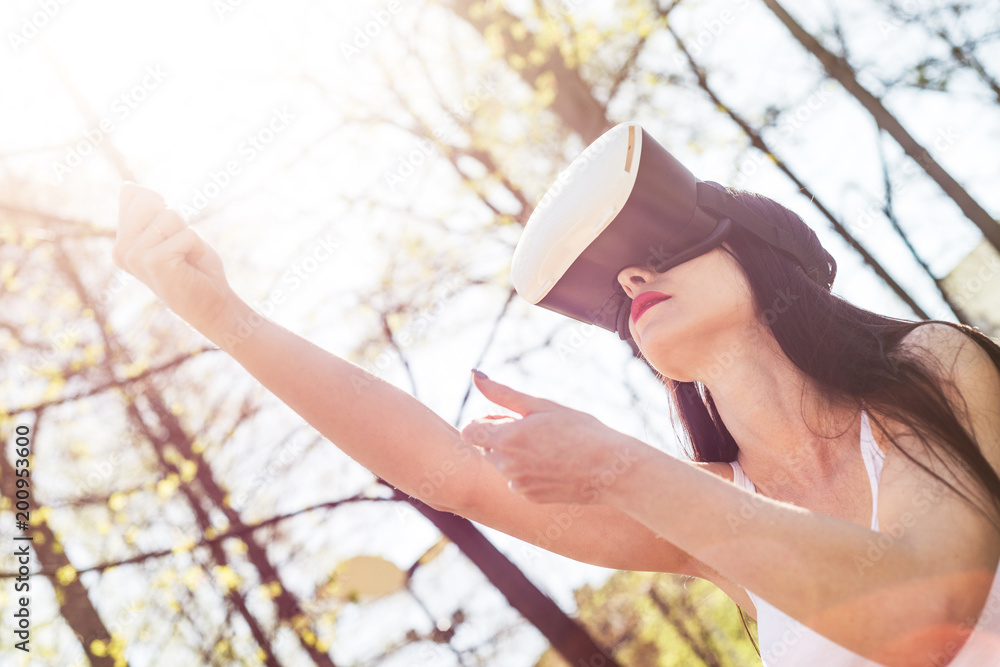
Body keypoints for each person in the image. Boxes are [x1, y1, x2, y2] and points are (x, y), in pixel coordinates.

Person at [113, 181, 1000, 666]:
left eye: (659, 251)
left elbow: (925, 609)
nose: (628, 280)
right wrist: (226, 319)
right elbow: (451, 471)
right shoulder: (709, 514)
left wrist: (624, 470)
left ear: (764, 252)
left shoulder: (932, 369)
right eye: (620, 281)